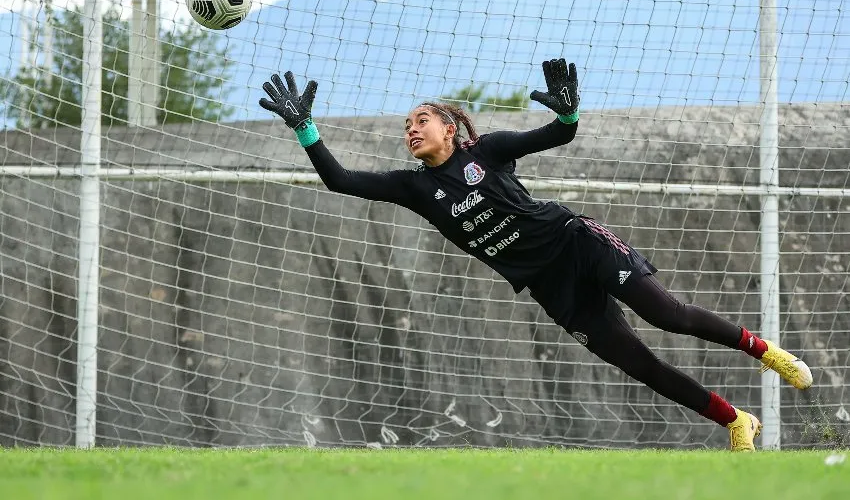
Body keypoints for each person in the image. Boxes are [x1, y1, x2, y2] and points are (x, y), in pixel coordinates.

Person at [258, 59, 813, 451]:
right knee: (637, 363)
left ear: (450, 128)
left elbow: (556, 135)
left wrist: (568, 115)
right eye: (406, 126)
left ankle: (765, 351)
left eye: (420, 120)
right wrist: (305, 128)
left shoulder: (490, 150)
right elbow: (339, 179)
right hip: (552, 287)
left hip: (577, 242)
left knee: (667, 315)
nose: (411, 129)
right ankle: (736, 420)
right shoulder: (414, 188)